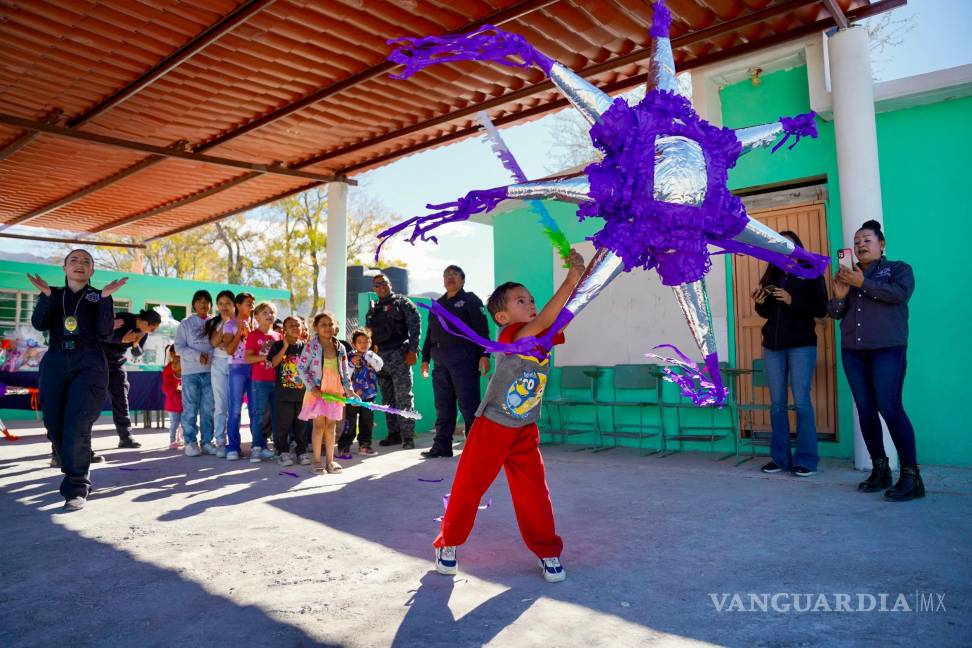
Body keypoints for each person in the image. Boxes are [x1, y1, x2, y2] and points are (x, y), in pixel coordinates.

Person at [433, 249, 586, 583]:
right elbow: (545, 319)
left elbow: (560, 316)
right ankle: (449, 544)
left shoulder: (542, 336)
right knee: (468, 487)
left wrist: (584, 279)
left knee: (534, 493)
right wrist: (572, 279)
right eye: (520, 301)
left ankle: (548, 551)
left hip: (524, 428)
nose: (530, 304)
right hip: (493, 425)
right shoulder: (511, 335)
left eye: (531, 299)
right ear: (502, 317)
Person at [828, 220, 921, 501]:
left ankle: (911, 476)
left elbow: (900, 295)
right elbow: (834, 313)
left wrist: (863, 283)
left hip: (887, 349)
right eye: (857, 242)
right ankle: (880, 470)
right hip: (853, 352)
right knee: (865, 411)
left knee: (890, 408)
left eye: (866, 240)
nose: (860, 245)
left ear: (882, 245)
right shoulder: (849, 275)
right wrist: (839, 296)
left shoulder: (899, 269)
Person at [28, 249, 127, 511]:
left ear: (92, 271)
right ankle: (72, 461)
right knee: (54, 422)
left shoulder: (97, 296)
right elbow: (39, 324)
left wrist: (106, 299)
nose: (80, 265)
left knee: (78, 422)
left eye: (86, 262)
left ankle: (76, 485)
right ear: (64, 267)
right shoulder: (54, 294)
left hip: (89, 360)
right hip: (57, 359)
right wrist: (46, 297)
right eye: (74, 260)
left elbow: (106, 332)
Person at [752, 231, 828, 477]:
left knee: (802, 403)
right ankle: (780, 458)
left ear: (797, 246)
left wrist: (791, 299)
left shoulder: (811, 271)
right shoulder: (772, 271)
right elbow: (766, 313)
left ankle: (806, 460)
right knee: (777, 404)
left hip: (801, 345)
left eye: (787, 245)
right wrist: (759, 301)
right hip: (772, 346)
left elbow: (820, 308)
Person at [421, 265, 491, 458]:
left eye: (454, 274)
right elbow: (430, 333)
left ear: (462, 279)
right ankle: (442, 446)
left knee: (469, 405)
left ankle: (475, 447)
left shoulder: (470, 300)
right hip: (440, 360)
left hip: (464, 358)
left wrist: (485, 355)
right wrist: (425, 358)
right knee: (443, 406)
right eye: (446, 275)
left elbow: (482, 330)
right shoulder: (437, 304)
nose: (450, 278)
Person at [365, 273, 421, 449]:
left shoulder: (402, 302)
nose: (381, 287)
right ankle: (394, 434)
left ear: (390, 284)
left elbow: (415, 324)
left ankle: (408, 436)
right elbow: (368, 334)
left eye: (384, 283)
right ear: (373, 289)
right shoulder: (373, 309)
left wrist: (413, 350)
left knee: (404, 396)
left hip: (399, 355)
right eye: (377, 285)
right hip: (379, 358)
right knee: (387, 398)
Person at [297, 311, 353, 474]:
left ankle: (330, 461)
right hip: (318, 391)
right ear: (316, 327)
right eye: (323, 325)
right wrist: (312, 388)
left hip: (334, 390)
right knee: (319, 426)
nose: (327, 328)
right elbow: (301, 368)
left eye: (330, 324)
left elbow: (345, 370)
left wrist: (349, 390)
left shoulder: (340, 346)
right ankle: (316, 461)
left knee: (331, 426)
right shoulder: (311, 346)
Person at [102, 308, 162, 449]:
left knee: (122, 398)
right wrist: (121, 339)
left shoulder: (143, 333)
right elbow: (101, 335)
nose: (151, 332)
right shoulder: (123, 318)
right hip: (98, 359)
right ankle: (82, 440)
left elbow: (137, 353)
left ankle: (126, 437)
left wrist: (135, 343)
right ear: (145, 323)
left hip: (117, 362)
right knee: (92, 400)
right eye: (152, 329)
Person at [174, 290, 215, 457]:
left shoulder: (215, 323)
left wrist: (209, 356)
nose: (203, 304)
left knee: (208, 409)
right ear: (194, 304)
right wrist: (198, 355)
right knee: (190, 408)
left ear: (211, 305)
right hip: (190, 373)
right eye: (199, 301)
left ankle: (207, 442)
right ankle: (190, 442)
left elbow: (220, 345)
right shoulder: (185, 323)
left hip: (211, 372)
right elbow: (179, 347)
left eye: (206, 301)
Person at [243, 301, 281, 463]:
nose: (269, 315)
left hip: (277, 381)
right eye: (265, 312)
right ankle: (257, 447)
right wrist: (266, 357)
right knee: (258, 414)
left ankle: (268, 446)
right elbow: (247, 357)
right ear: (256, 316)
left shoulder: (279, 336)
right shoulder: (253, 335)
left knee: (275, 415)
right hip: (259, 381)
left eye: (272, 312)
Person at [337, 328, 384, 456]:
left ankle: (364, 445)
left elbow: (379, 366)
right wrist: (352, 364)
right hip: (352, 396)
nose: (363, 344)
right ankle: (344, 445)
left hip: (369, 395)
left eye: (366, 341)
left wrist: (370, 357)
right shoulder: (349, 356)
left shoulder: (372, 355)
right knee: (350, 422)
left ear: (370, 342)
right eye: (360, 342)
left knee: (367, 421)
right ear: (353, 344)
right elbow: (345, 374)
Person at [269, 316, 308, 466]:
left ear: (302, 328)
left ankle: (301, 451)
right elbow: (274, 363)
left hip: (302, 395)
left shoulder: (306, 347)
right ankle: (283, 452)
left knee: (301, 427)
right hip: (283, 395)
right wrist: (285, 347)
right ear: (284, 329)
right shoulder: (278, 345)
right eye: (290, 325)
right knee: (282, 425)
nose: (294, 327)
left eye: (297, 325)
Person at [224, 292, 255, 461]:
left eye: (252, 303)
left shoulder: (257, 324)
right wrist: (240, 333)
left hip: (254, 368)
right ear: (238, 305)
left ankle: (257, 445)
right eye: (248, 303)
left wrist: (251, 333)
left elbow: (257, 348)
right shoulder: (230, 325)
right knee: (235, 410)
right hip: (237, 368)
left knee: (255, 409)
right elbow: (229, 350)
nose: (251, 306)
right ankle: (233, 447)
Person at [206, 289, 237, 457]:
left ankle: (234, 443)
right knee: (220, 405)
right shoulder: (215, 323)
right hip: (218, 364)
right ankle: (220, 441)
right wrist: (225, 324)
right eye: (220, 304)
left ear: (234, 305)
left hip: (236, 365)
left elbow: (232, 343)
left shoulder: (241, 322)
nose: (224, 307)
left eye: (227, 304)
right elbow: (215, 342)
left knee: (234, 406)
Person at [162, 344, 184, 450]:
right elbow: (166, 387)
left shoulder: (186, 366)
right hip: (173, 403)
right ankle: (172, 440)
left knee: (185, 422)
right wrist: (175, 388)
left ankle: (183, 438)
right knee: (174, 422)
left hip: (184, 402)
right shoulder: (167, 369)